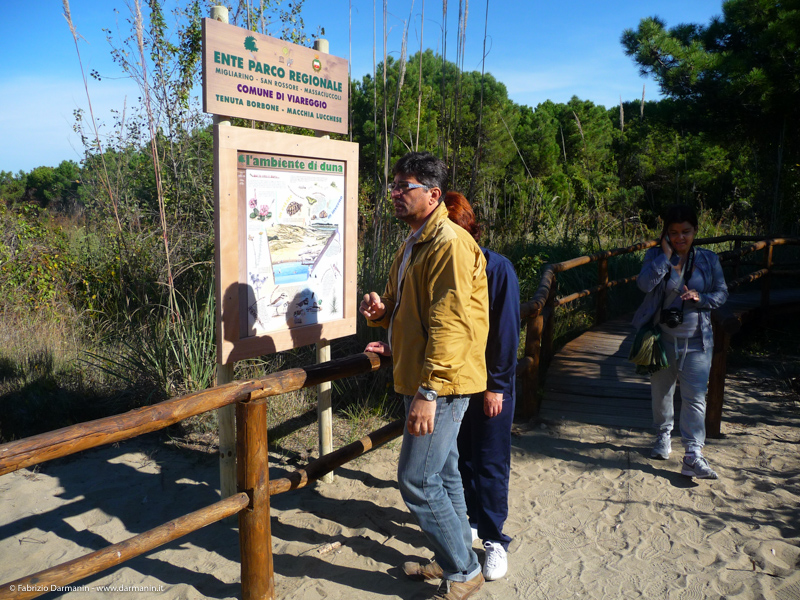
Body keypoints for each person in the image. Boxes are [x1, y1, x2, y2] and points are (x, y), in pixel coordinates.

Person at [360, 152, 489, 600]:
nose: (395, 194)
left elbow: (452, 323)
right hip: (424, 374)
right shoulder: (415, 240)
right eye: (393, 186)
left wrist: (429, 391)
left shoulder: (449, 243)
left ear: (433, 195)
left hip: (442, 383)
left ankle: (464, 571)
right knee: (445, 471)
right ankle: (454, 555)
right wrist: (382, 317)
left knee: (416, 480)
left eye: (404, 187)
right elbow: (406, 306)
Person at [444, 191, 519, 581]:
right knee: (461, 457)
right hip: (455, 381)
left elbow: (506, 333)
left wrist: (497, 386)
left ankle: (494, 540)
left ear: (470, 228)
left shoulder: (497, 267)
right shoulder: (438, 264)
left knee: (490, 460)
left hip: (490, 383)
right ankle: (471, 520)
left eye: (457, 230)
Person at [632, 204, 728, 479]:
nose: (680, 238)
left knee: (695, 398)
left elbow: (722, 293)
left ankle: (693, 454)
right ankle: (663, 435)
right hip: (662, 338)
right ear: (665, 235)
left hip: (697, 340)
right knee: (661, 392)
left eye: (686, 232)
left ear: (695, 231)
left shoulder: (708, 260)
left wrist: (702, 299)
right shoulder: (656, 255)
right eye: (673, 233)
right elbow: (644, 285)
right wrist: (664, 257)